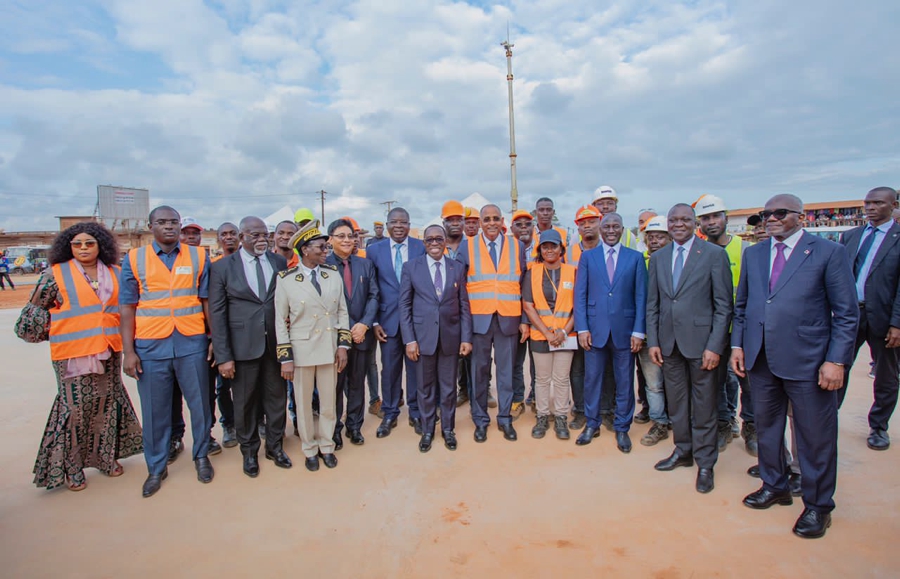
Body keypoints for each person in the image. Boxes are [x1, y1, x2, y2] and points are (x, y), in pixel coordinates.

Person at [731, 194, 858, 539]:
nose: (771, 218)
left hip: (808, 361)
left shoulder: (828, 253)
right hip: (761, 360)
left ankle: (818, 507)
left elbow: (846, 313)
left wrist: (836, 360)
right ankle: (775, 485)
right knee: (768, 428)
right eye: (766, 214)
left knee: (814, 437)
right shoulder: (755, 254)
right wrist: (738, 345)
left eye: (779, 213)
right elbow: (743, 306)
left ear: (800, 217)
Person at [28, 222, 143, 491]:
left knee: (107, 404)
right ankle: (72, 468)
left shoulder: (116, 273)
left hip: (108, 351)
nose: (83, 248)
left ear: (100, 245)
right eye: (77, 244)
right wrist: (55, 328)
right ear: (68, 247)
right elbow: (33, 314)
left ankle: (106, 458)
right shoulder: (55, 275)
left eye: (89, 243)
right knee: (75, 410)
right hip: (72, 354)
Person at [120, 206, 215, 497]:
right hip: (151, 346)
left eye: (174, 222)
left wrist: (213, 338)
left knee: (200, 404)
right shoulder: (134, 259)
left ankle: (201, 456)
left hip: (192, 342)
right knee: (155, 410)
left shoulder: (199, 256)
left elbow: (206, 301)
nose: (169, 227)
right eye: (162, 222)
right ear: (151, 227)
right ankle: (156, 467)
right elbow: (127, 307)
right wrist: (129, 351)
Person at [646, 203, 733, 494]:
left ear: (694, 223)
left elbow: (724, 306)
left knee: (705, 405)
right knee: (677, 404)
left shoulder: (713, 255)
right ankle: (682, 451)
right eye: (673, 220)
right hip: (669, 345)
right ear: (668, 224)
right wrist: (654, 341)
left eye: (685, 219)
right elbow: (653, 304)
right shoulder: (658, 258)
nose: (678, 224)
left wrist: (715, 346)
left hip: (702, 346)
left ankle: (705, 462)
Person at [209, 216, 291, 478]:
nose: (261, 240)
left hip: (274, 345)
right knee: (244, 403)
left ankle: (275, 447)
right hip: (242, 349)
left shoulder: (278, 262)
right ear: (242, 236)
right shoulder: (223, 268)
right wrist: (223, 356)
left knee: (277, 399)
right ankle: (249, 452)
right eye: (254, 235)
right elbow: (218, 315)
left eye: (264, 235)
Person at [276, 221, 350, 471]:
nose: (325, 250)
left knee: (329, 402)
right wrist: (285, 357)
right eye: (320, 247)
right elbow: (280, 321)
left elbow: (342, 311)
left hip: (329, 349)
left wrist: (342, 346)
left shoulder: (332, 275)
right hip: (302, 352)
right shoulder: (286, 280)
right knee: (304, 404)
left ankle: (327, 445)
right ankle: (309, 449)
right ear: (305, 250)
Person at [456, 204, 529, 442]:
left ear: (501, 221)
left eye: (495, 218)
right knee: (479, 373)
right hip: (479, 322)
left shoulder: (517, 246)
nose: (491, 223)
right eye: (486, 219)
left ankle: (505, 419)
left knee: (506, 373)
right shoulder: (467, 247)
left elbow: (523, 283)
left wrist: (525, 320)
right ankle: (480, 420)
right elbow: (460, 290)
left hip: (508, 319)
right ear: (479, 222)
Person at [574, 214, 646, 452]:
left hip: (625, 332)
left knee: (624, 381)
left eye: (616, 226)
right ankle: (591, 423)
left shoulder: (635, 258)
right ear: (600, 229)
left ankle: (622, 428)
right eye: (607, 226)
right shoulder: (587, 257)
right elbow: (580, 295)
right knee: (592, 378)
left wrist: (638, 331)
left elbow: (640, 297)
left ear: (623, 229)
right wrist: (582, 328)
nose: (611, 230)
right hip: (594, 331)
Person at [399, 224, 472, 452]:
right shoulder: (411, 267)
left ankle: (448, 429)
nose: (434, 243)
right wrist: (409, 340)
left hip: (451, 338)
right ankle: (428, 429)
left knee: (449, 388)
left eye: (438, 239)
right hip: (422, 340)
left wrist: (466, 338)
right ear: (424, 243)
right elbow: (405, 306)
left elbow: (463, 305)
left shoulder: (457, 268)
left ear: (444, 241)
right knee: (425, 387)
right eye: (429, 239)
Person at [838, 186, 900, 450]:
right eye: (867, 203)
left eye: (877, 203)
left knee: (886, 375)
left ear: (893, 205)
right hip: (850, 315)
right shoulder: (850, 236)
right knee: (836, 365)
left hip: (885, 318)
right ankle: (827, 416)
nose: (870, 208)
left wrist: (897, 322)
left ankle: (878, 426)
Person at [695, 194, 757, 456]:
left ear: (726, 218)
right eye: (705, 218)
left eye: (715, 216)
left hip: (742, 327)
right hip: (710, 330)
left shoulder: (745, 249)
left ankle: (751, 426)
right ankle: (723, 423)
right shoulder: (697, 252)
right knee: (715, 381)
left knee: (748, 380)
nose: (711, 222)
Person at [365, 207, 425, 437]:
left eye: (404, 222)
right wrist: (375, 322)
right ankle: (390, 412)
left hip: (415, 322)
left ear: (410, 225)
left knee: (415, 369)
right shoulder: (373, 250)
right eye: (394, 222)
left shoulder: (420, 248)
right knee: (389, 370)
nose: (399, 226)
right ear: (387, 225)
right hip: (386, 323)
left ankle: (416, 412)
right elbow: (372, 289)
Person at [169, 216, 222, 461]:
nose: (191, 237)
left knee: (203, 393)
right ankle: (175, 437)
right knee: (171, 394)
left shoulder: (202, 260)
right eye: (186, 233)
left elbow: (209, 302)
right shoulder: (156, 261)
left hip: (197, 338)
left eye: (195, 233)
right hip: (162, 338)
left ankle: (206, 436)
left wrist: (213, 337)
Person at [326, 218, 379, 448]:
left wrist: (364, 324)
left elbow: (374, 296)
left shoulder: (365, 264)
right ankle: (335, 429)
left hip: (362, 334)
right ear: (330, 240)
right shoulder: (323, 266)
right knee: (335, 386)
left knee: (358, 382)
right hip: (335, 337)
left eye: (350, 236)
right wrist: (349, 327)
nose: (347, 240)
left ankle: (354, 427)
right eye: (341, 236)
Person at [523, 229, 577, 440]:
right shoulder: (532, 272)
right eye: (545, 247)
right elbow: (528, 306)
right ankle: (543, 416)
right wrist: (546, 333)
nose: (549, 250)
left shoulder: (573, 272)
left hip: (566, 335)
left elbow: (578, 308)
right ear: (540, 250)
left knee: (561, 379)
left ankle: (561, 416)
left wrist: (564, 331)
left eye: (553, 246)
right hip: (540, 335)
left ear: (561, 249)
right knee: (542, 379)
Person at [565, 205, 603, 430]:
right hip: (574, 318)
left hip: (601, 318)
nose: (587, 226)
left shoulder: (609, 250)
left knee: (603, 368)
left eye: (591, 221)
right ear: (577, 227)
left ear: (600, 222)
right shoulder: (569, 253)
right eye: (583, 223)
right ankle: (580, 409)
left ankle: (604, 409)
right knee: (577, 369)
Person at [636, 216, 671, 446]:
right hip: (649, 335)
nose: (655, 241)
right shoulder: (642, 264)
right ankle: (659, 423)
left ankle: (680, 420)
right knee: (654, 384)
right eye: (651, 237)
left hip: (676, 336)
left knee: (678, 383)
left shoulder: (678, 264)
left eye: (660, 237)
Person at [510, 209, 536, 418]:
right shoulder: (507, 251)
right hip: (515, 316)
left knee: (538, 362)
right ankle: (517, 399)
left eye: (527, 224)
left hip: (540, 317)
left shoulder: (544, 249)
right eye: (519, 224)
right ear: (512, 229)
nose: (524, 228)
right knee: (515, 362)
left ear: (533, 227)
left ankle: (536, 397)